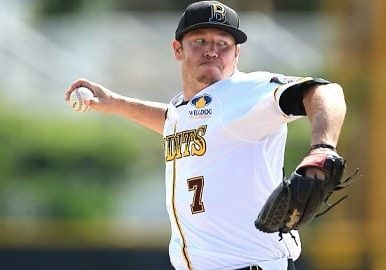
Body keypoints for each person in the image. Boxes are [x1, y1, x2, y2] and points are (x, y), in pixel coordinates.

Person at [65, 1, 346, 269]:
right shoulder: (186, 109)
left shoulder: (247, 92)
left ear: (237, 54)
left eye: (223, 44)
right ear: (178, 49)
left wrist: (322, 147)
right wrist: (116, 103)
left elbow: (325, 91)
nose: (212, 50)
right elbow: (179, 122)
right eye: (200, 41)